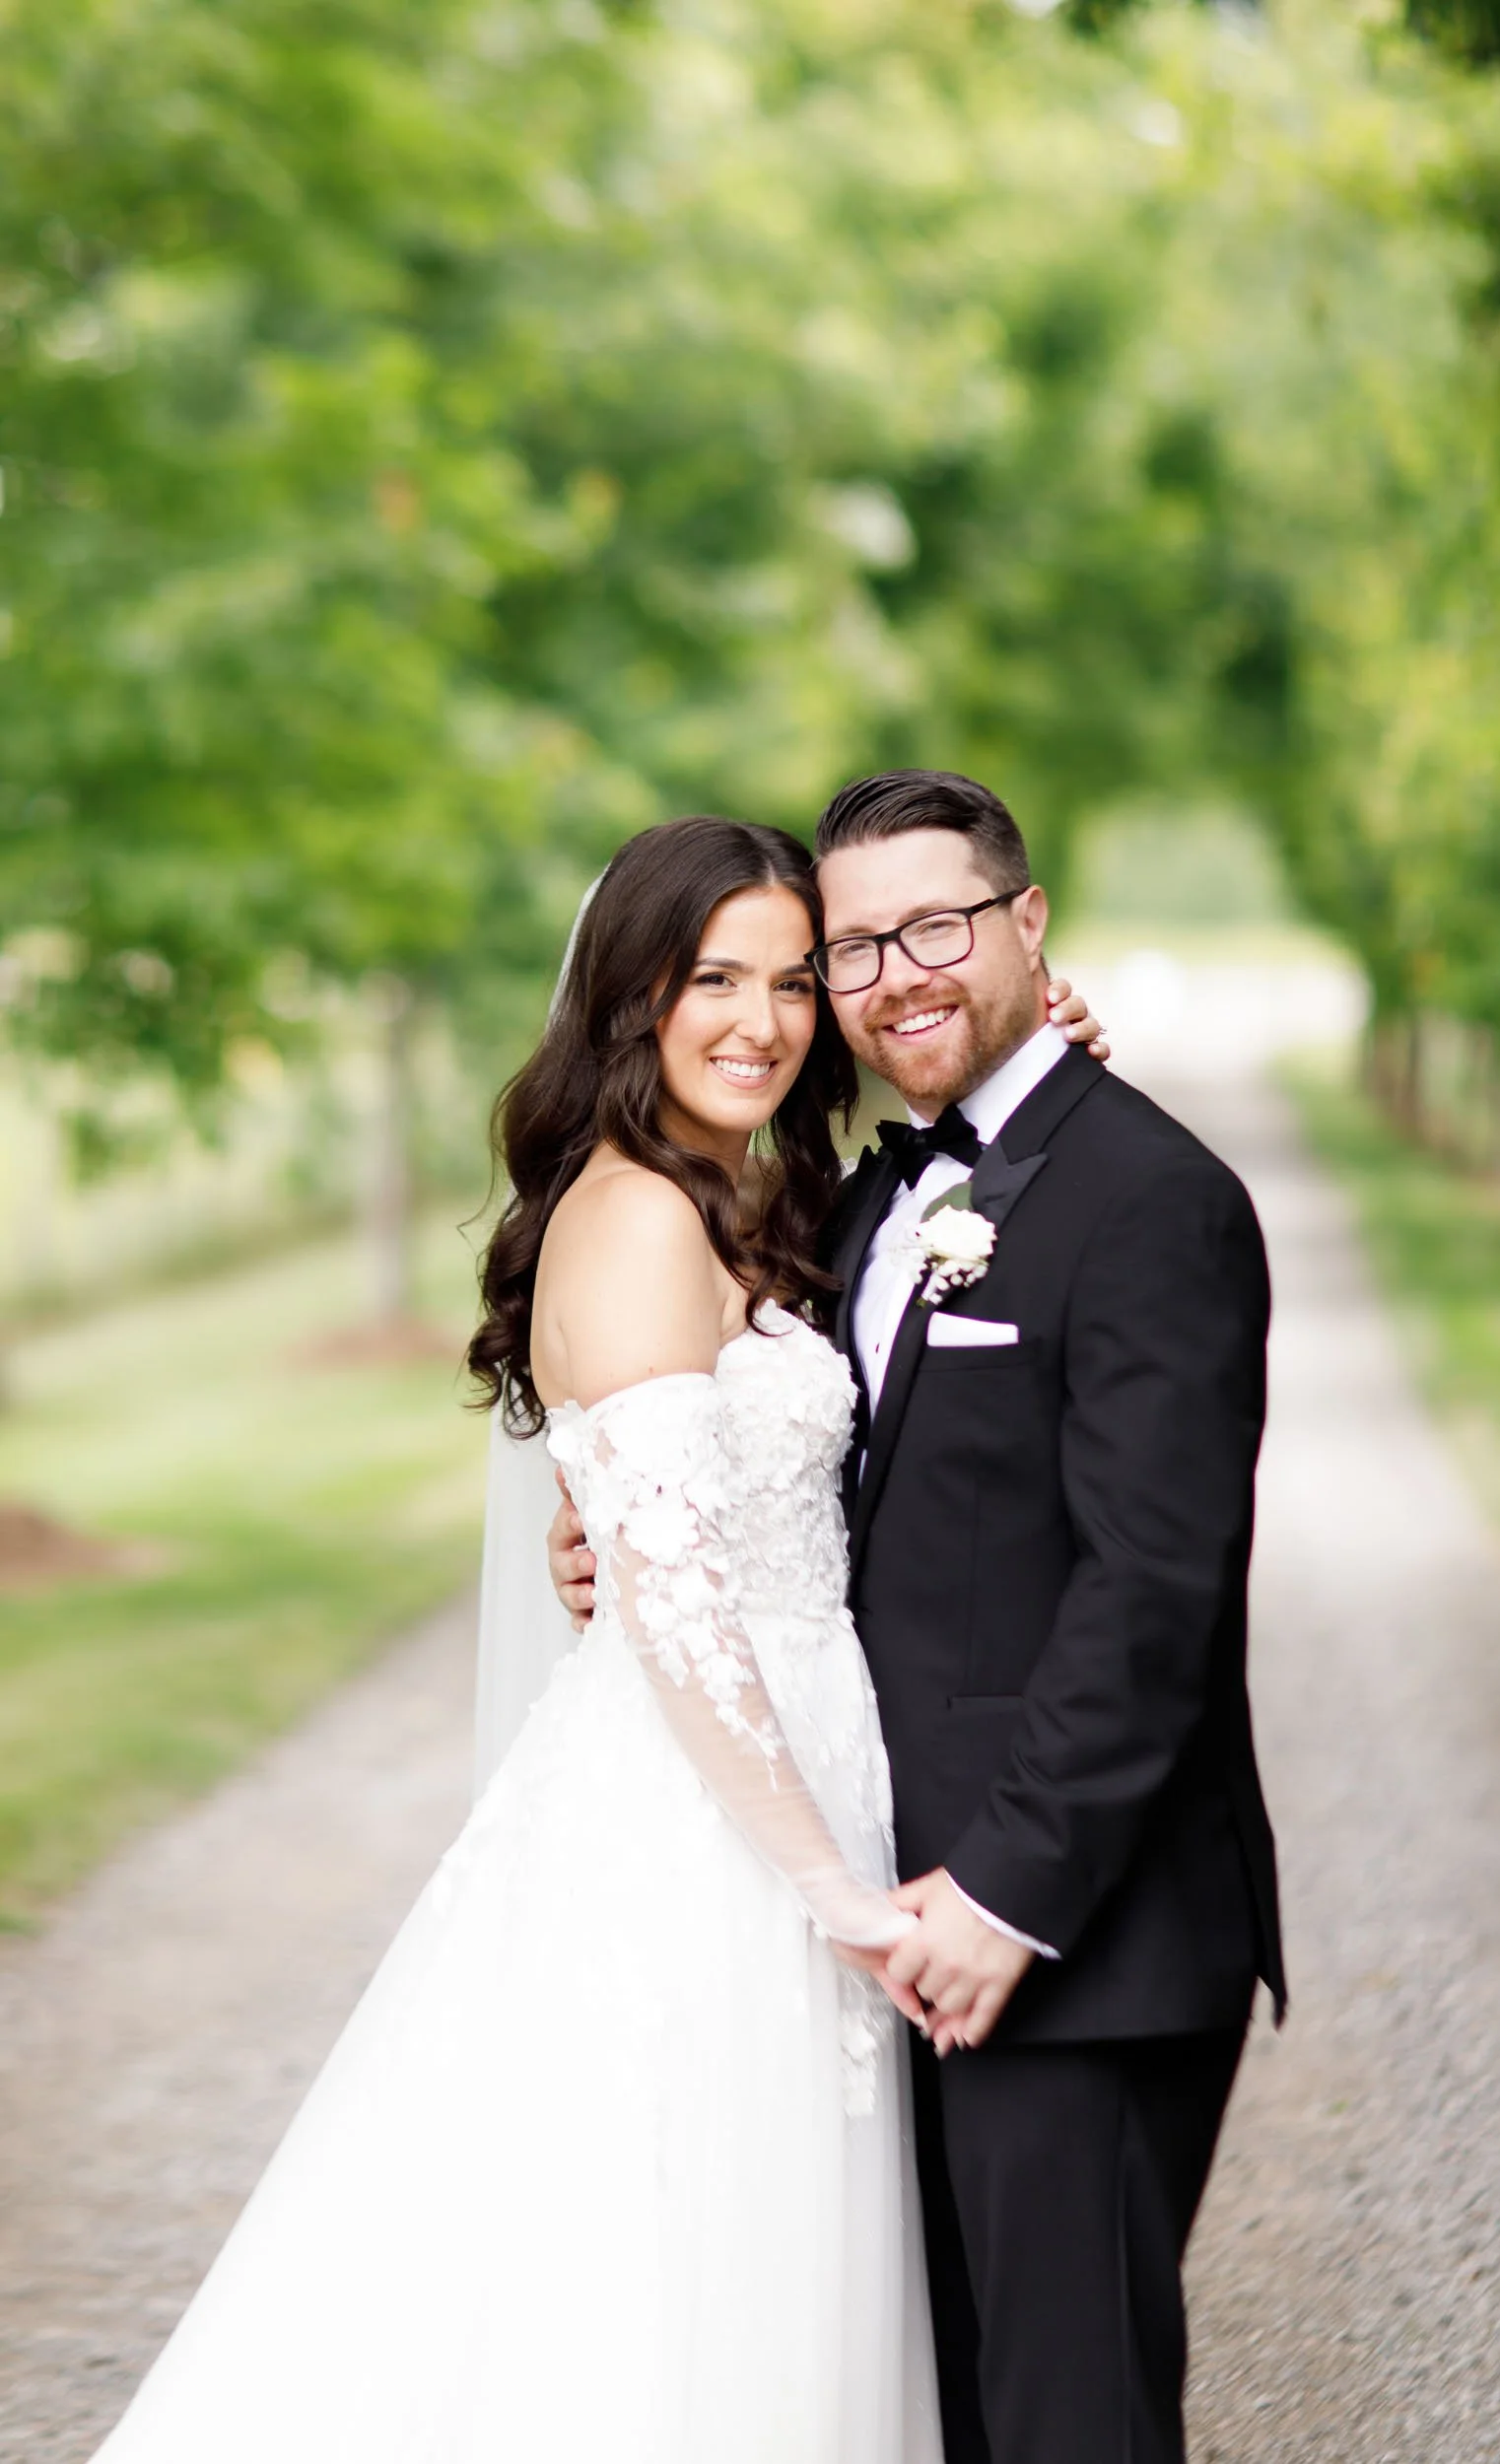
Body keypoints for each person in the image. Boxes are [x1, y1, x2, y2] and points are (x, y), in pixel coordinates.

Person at [86, 812, 1105, 2464]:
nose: (761, 1022)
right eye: (713, 977)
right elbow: (685, 1611)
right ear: (633, 996)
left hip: (807, 1775)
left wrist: (1046, 1047)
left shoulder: (764, 1201)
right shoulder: (634, 1217)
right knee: (660, 2266)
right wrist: (824, 1881)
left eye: (792, 979)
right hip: (704, 1828)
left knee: (765, 2265)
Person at [553, 771, 1286, 2464]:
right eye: (853, 948)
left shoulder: (1147, 1201)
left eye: (935, 926)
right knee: (925, 2404)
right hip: (883, 1915)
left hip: (1060, 1937)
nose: (894, 976)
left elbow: (1153, 1589)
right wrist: (633, 1546)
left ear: (1028, 923)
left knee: (1062, 2417)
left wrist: (1013, 1897)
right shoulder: (869, 1202)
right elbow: (782, 1474)